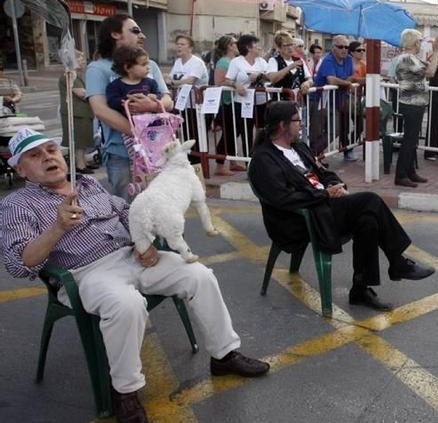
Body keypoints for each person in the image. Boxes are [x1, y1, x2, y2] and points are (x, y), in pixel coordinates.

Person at [0, 128, 269, 423]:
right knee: (126, 305)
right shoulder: (16, 205)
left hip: (132, 255)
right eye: (35, 156)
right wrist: (57, 229)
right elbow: (18, 264)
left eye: (51, 150)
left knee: (199, 275)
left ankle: (224, 355)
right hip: (87, 273)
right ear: (20, 169)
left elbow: (127, 212)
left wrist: (144, 239)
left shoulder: (87, 183)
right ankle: (125, 392)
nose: (48, 158)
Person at [248, 101, 435, 311]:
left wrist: (335, 186)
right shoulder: (263, 159)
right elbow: (283, 198)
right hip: (301, 220)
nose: (301, 124)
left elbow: (324, 173)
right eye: (297, 120)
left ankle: (360, 289)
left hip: (322, 207)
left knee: (368, 221)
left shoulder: (299, 148)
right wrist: (323, 194)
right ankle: (398, 263)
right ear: (283, 125)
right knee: (370, 200)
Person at [85, 14, 171, 200]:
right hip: (121, 155)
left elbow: (167, 100)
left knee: (164, 205)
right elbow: (100, 110)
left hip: (157, 150)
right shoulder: (98, 68)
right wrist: (139, 133)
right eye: (135, 31)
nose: (142, 36)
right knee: (130, 210)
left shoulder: (150, 65)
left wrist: (153, 104)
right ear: (115, 34)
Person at [391, 29, 438, 187]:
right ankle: (401, 175)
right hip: (411, 103)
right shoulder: (407, 58)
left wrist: (437, 51)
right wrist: (436, 51)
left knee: (412, 140)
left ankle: (409, 172)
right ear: (415, 43)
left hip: (415, 103)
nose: (421, 44)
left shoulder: (411, 58)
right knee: (409, 140)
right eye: (420, 41)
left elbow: (429, 68)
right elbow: (430, 72)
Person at [224, 34, 269, 158]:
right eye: (256, 45)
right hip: (243, 102)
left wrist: (259, 74)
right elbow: (227, 80)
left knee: (263, 132)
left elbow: (269, 76)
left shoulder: (262, 61)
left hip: (261, 102)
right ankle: (248, 161)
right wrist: (236, 85)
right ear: (248, 47)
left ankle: (262, 158)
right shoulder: (236, 62)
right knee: (246, 132)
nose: (259, 48)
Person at [315, 35, 358, 162]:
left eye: (346, 47)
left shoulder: (349, 59)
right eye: (341, 47)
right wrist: (347, 83)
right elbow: (331, 80)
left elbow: (351, 77)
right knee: (327, 130)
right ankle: (312, 155)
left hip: (340, 99)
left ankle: (347, 148)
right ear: (333, 48)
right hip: (321, 100)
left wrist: (345, 82)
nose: (344, 49)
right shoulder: (328, 60)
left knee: (358, 120)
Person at [58, 50, 95, 174]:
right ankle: (80, 165)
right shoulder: (69, 75)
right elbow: (81, 93)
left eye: (83, 59)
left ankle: (83, 162)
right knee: (79, 141)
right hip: (76, 113)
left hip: (80, 113)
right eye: (80, 59)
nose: (83, 62)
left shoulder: (75, 75)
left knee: (83, 140)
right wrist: (96, 96)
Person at [211, 35, 242, 176]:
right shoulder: (224, 62)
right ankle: (220, 164)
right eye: (235, 43)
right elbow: (219, 82)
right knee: (228, 133)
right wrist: (233, 84)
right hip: (226, 102)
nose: (238, 45)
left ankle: (233, 161)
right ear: (230, 46)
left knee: (235, 132)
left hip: (235, 101)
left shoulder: (234, 61)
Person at [106, 45, 161, 115]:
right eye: (144, 64)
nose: (148, 67)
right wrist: (128, 99)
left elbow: (159, 95)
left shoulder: (151, 83)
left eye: (148, 64)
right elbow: (112, 102)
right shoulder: (115, 86)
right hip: (127, 124)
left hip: (152, 123)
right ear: (127, 68)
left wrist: (155, 97)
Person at [267, 31, 313, 103]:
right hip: (281, 104)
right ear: (279, 47)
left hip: (300, 103)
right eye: (286, 45)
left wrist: (307, 83)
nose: (290, 48)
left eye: (291, 44)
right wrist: (289, 67)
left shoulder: (299, 60)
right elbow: (272, 79)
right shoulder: (273, 60)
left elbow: (310, 79)